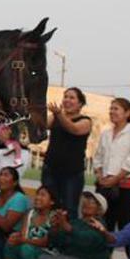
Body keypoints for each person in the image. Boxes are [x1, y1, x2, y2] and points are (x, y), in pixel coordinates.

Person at [92, 97, 130, 233]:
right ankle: (104, 254)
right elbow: (98, 157)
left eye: (116, 109)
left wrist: (116, 179)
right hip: (105, 185)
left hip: (124, 185)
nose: (112, 112)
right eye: (111, 109)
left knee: (124, 224)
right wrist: (99, 176)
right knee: (103, 223)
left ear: (127, 113)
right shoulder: (106, 133)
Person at [43, 87, 92, 216]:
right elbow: (41, 126)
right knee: (49, 206)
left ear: (80, 104)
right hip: (51, 170)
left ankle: (67, 235)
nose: (67, 100)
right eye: (65, 97)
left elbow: (74, 129)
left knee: (69, 209)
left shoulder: (86, 121)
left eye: (72, 97)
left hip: (72, 174)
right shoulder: (55, 117)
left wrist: (59, 114)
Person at [3, 185, 56, 259]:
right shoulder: (31, 213)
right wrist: (15, 237)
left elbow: (46, 242)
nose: (37, 198)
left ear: (52, 201)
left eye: (43, 195)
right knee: (11, 244)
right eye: (37, 194)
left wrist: (24, 241)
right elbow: (23, 234)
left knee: (26, 248)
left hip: (47, 252)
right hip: (29, 248)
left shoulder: (54, 217)